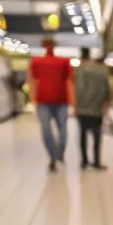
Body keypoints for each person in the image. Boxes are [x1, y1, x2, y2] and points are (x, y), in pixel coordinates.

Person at [29, 37, 71, 171]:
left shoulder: (38, 62)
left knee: (49, 131)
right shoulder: (39, 62)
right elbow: (69, 82)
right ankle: (56, 156)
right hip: (50, 100)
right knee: (58, 129)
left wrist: (33, 98)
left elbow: (32, 81)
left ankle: (56, 155)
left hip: (53, 101)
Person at [71, 49, 112, 169]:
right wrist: (106, 103)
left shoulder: (78, 70)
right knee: (96, 136)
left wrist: (75, 106)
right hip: (96, 108)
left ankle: (84, 161)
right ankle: (97, 162)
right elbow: (107, 88)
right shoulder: (102, 70)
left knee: (82, 135)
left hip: (82, 108)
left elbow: (75, 88)